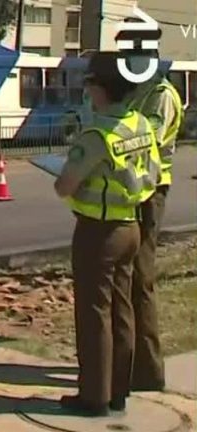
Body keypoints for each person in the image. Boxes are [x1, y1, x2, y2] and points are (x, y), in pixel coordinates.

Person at [54, 51, 161, 416]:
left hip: (98, 232)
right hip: (131, 225)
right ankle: (118, 391)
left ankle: (93, 397)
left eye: (89, 85)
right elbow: (154, 174)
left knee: (94, 313)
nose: (87, 92)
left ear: (101, 89)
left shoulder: (98, 134)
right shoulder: (141, 125)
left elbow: (65, 186)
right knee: (123, 310)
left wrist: (69, 178)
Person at [115, 22, 183, 393]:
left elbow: (144, 141)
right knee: (125, 279)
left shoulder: (161, 94)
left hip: (151, 191)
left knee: (142, 279)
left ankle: (148, 372)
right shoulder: (135, 91)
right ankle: (125, 365)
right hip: (131, 190)